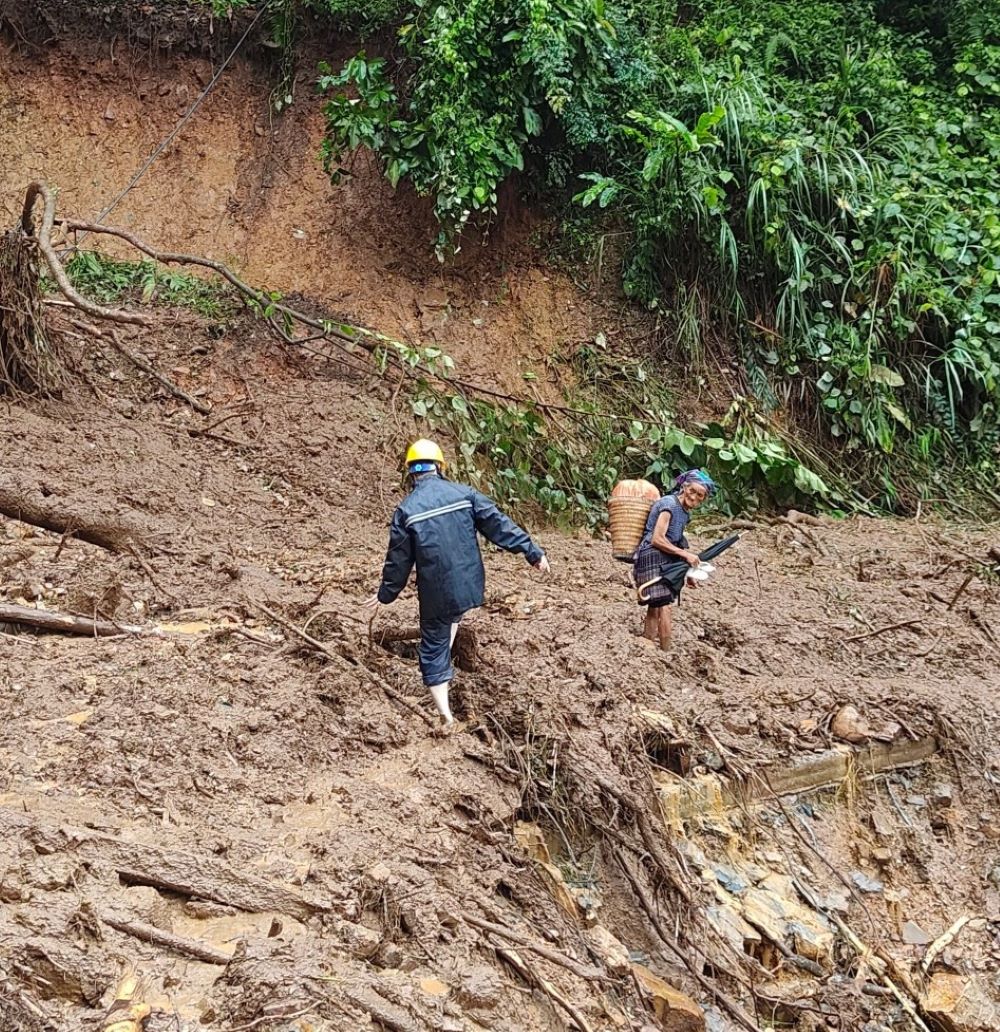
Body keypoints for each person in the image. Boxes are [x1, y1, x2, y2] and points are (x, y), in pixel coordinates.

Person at [362, 439, 550, 726]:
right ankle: (446, 669)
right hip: (470, 585)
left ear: (411, 473)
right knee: (452, 616)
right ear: (439, 466)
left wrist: (385, 595)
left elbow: (398, 562)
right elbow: (499, 525)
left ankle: (446, 716)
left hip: (437, 591)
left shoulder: (406, 510)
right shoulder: (465, 494)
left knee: (433, 643)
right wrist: (532, 552)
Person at [632, 468, 716, 650]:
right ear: (684, 487)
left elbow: (676, 542)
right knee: (665, 605)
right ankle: (666, 651)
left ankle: (648, 643)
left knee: (655, 605)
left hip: (666, 558)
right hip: (652, 555)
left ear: (704, 499)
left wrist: (688, 571)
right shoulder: (669, 505)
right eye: (691, 491)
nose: (694, 497)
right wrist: (686, 555)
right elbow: (657, 538)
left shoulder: (684, 513)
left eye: (700, 495)